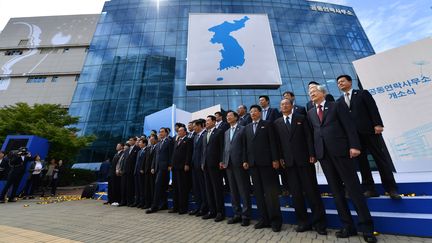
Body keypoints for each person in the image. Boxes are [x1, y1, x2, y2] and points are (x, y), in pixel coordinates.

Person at [307, 85, 377, 243]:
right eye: (309, 93)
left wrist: (354, 146)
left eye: (314, 92)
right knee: (336, 192)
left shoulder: (337, 105)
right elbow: (314, 133)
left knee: (353, 190)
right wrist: (315, 153)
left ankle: (367, 228)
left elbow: (349, 126)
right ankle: (347, 226)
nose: (311, 94)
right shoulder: (310, 112)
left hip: (342, 152)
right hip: (324, 155)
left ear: (323, 93)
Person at [337, 74, 400, 199]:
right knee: (362, 163)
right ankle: (369, 189)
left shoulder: (362, 94)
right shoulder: (339, 101)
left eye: (342, 81)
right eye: (338, 83)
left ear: (350, 82)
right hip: (355, 137)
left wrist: (377, 124)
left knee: (380, 159)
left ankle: (391, 188)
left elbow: (373, 109)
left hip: (370, 132)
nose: (340, 84)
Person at [274, 99, 327, 235]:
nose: (284, 106)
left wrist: (311, 154)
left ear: (292, 106)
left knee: (312, 191)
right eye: (282, 104)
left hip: (305, 161)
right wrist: (280, 158)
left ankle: (319, 223)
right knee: (296, 194)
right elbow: (278, 143)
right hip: (289, 164)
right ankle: (303, 222)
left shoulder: (301, 118)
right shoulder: (277, 122)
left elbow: (309, 137)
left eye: (286, 104)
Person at [243, 105, 282, 232]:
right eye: (251, 112)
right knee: (259, 193)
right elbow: (246, 146)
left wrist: (275, 159)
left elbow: (273, 142)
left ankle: (275, 220)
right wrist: (245, 160)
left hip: (267, 164)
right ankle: (264, 219)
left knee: (270, 193)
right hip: (253, 165)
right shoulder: (247, 127)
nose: (253, 113)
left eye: (255, 111)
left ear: (260, 113)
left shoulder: (267, 124)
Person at [222, 110, 251, 226]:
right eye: (227, 116)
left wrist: (245, 160)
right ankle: (237, 214)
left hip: (240, 164)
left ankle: (246, 215)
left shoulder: (243, 129)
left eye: (230, 116)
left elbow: (245, 146)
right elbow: (225, 148)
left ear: (236, 117)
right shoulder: (226, 132)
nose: (228, 118)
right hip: (229, 165)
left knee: (243, 190)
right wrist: (224, 161)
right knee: (233, 191)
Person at [201, 115, 225, 222]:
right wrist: (202, 162)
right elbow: (203, 151)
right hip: (205, 165)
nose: (206, 122)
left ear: (214, 122)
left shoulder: (219, 132)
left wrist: (221, 160)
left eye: (208, 121)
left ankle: (220, 212)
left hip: (215, 165)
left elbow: (222, 148)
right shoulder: (205, 134)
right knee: (209, 189)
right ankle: (212, 211)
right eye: (205, 121)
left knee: (217, 189)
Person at [146, 128, 173, 214]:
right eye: (159, 132)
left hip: (165, 168)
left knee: (157, 186)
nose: (160, 133)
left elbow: (171, 154)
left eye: (162, 132)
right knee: (162, 187)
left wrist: (170, 165)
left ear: (166, 133)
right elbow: (155, 157)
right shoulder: (159, 143)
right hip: (157, 168)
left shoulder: (169, 141)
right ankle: (164, 204)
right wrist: (153, 166)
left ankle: (154, 206)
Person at [170, 126, 193, 214]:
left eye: (180, 131)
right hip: (175, 167)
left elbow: (189, 153)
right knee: (175, 188)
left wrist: (187, 164)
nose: (178, 132)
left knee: (182, 188)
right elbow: (174, 154)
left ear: (185, 132)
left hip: (182, 167)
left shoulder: (188, 140)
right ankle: (175, 207)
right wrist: (171, 164)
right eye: (178, 131)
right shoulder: (177, 141)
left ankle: (183, 208)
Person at [189, 119, 208, 216]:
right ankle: (198, 206)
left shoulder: (205, 134)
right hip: (194, 166)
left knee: (203, 187)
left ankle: (204, 208)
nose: (193, 128)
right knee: (196, 188)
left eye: (194, 126)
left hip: (201, 165)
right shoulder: (196, 136)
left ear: (200, 126)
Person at [124, 137, 140, 207]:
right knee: (127, 186)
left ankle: (133, 201)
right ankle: (128, 201)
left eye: (131, 140)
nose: (130, 141)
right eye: (129, 140)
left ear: (135, 141)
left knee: (132, 187)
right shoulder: (128, 149)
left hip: (133, 171)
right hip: (127, 171)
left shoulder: (137, 149)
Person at [143, 134, 157, 209]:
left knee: (152, 188)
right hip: (147, 170)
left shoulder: (157, 147)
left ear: (155, 140)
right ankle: (147, 203)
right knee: (147, 188)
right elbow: (145, 160)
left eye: (152, 140)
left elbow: (155, 159)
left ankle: (153, 204)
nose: (150, 141)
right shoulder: (148, 148)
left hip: (153, 171)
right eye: (150, 140)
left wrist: (153, 167)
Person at [134, 138, 148, 208]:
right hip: (136, 171)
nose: (139, 143)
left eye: (140, 142)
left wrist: (143, 169)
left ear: (144, 143)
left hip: (142, 172)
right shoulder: (139, 151)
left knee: (142, 188)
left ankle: (143, 202)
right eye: (139, 142)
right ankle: (138, 201)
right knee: (138, 188)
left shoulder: (147, 150)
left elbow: (146, 161)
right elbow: (137, 163)